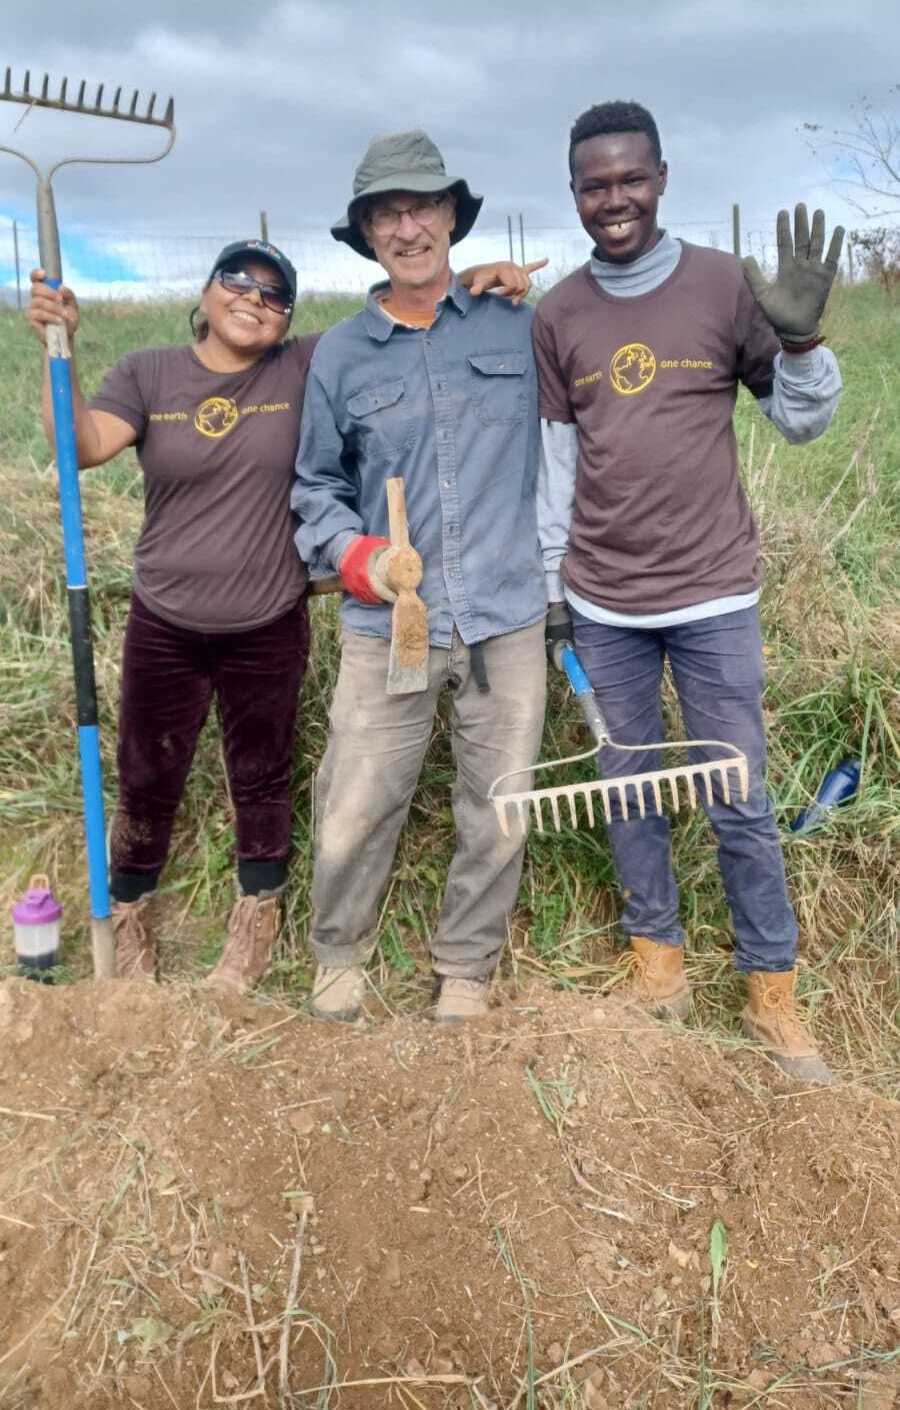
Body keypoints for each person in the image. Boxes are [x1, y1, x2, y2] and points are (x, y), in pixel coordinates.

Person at [27, 242, 533, 992]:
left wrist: (479, 281)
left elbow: (407, 318)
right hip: (165, 615)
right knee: (145, 772)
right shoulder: (149, 372)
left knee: (260, 777)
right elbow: (82, 446)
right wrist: (53, 354)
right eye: (237, 281)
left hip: (266, 617)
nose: (253, 300)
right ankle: (129, 915)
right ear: (204, 291)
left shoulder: (304, 363)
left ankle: (254, 919)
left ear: (287, 317)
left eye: (274, 295)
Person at [534, 99, 844, 1083]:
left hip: (712, 596)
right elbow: (557, 461)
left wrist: (800, 345)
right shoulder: (561, 314)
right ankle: (657, 967)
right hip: (606, 604)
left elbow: (799, 423)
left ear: (661, 177)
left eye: (630, 178)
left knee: (737, 793)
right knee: (627, 786)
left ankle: (771, 991)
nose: (613, 198)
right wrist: (555, 589)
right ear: (575, 193)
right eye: (595, 184)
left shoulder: (723, 285)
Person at [292, 129, 548, 1024]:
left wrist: (530, 280)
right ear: (366, 233)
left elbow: (596, 393)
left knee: (499, 804)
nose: (408, 227)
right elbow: (316, 487)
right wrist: (357, 558)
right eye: (386, 213)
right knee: (357, 800)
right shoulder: (341, 355)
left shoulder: (517, 322)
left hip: (505, 619)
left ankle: (466, 970)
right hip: (387, 623)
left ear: (451, 217)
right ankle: (338, 955)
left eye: (423, 206)